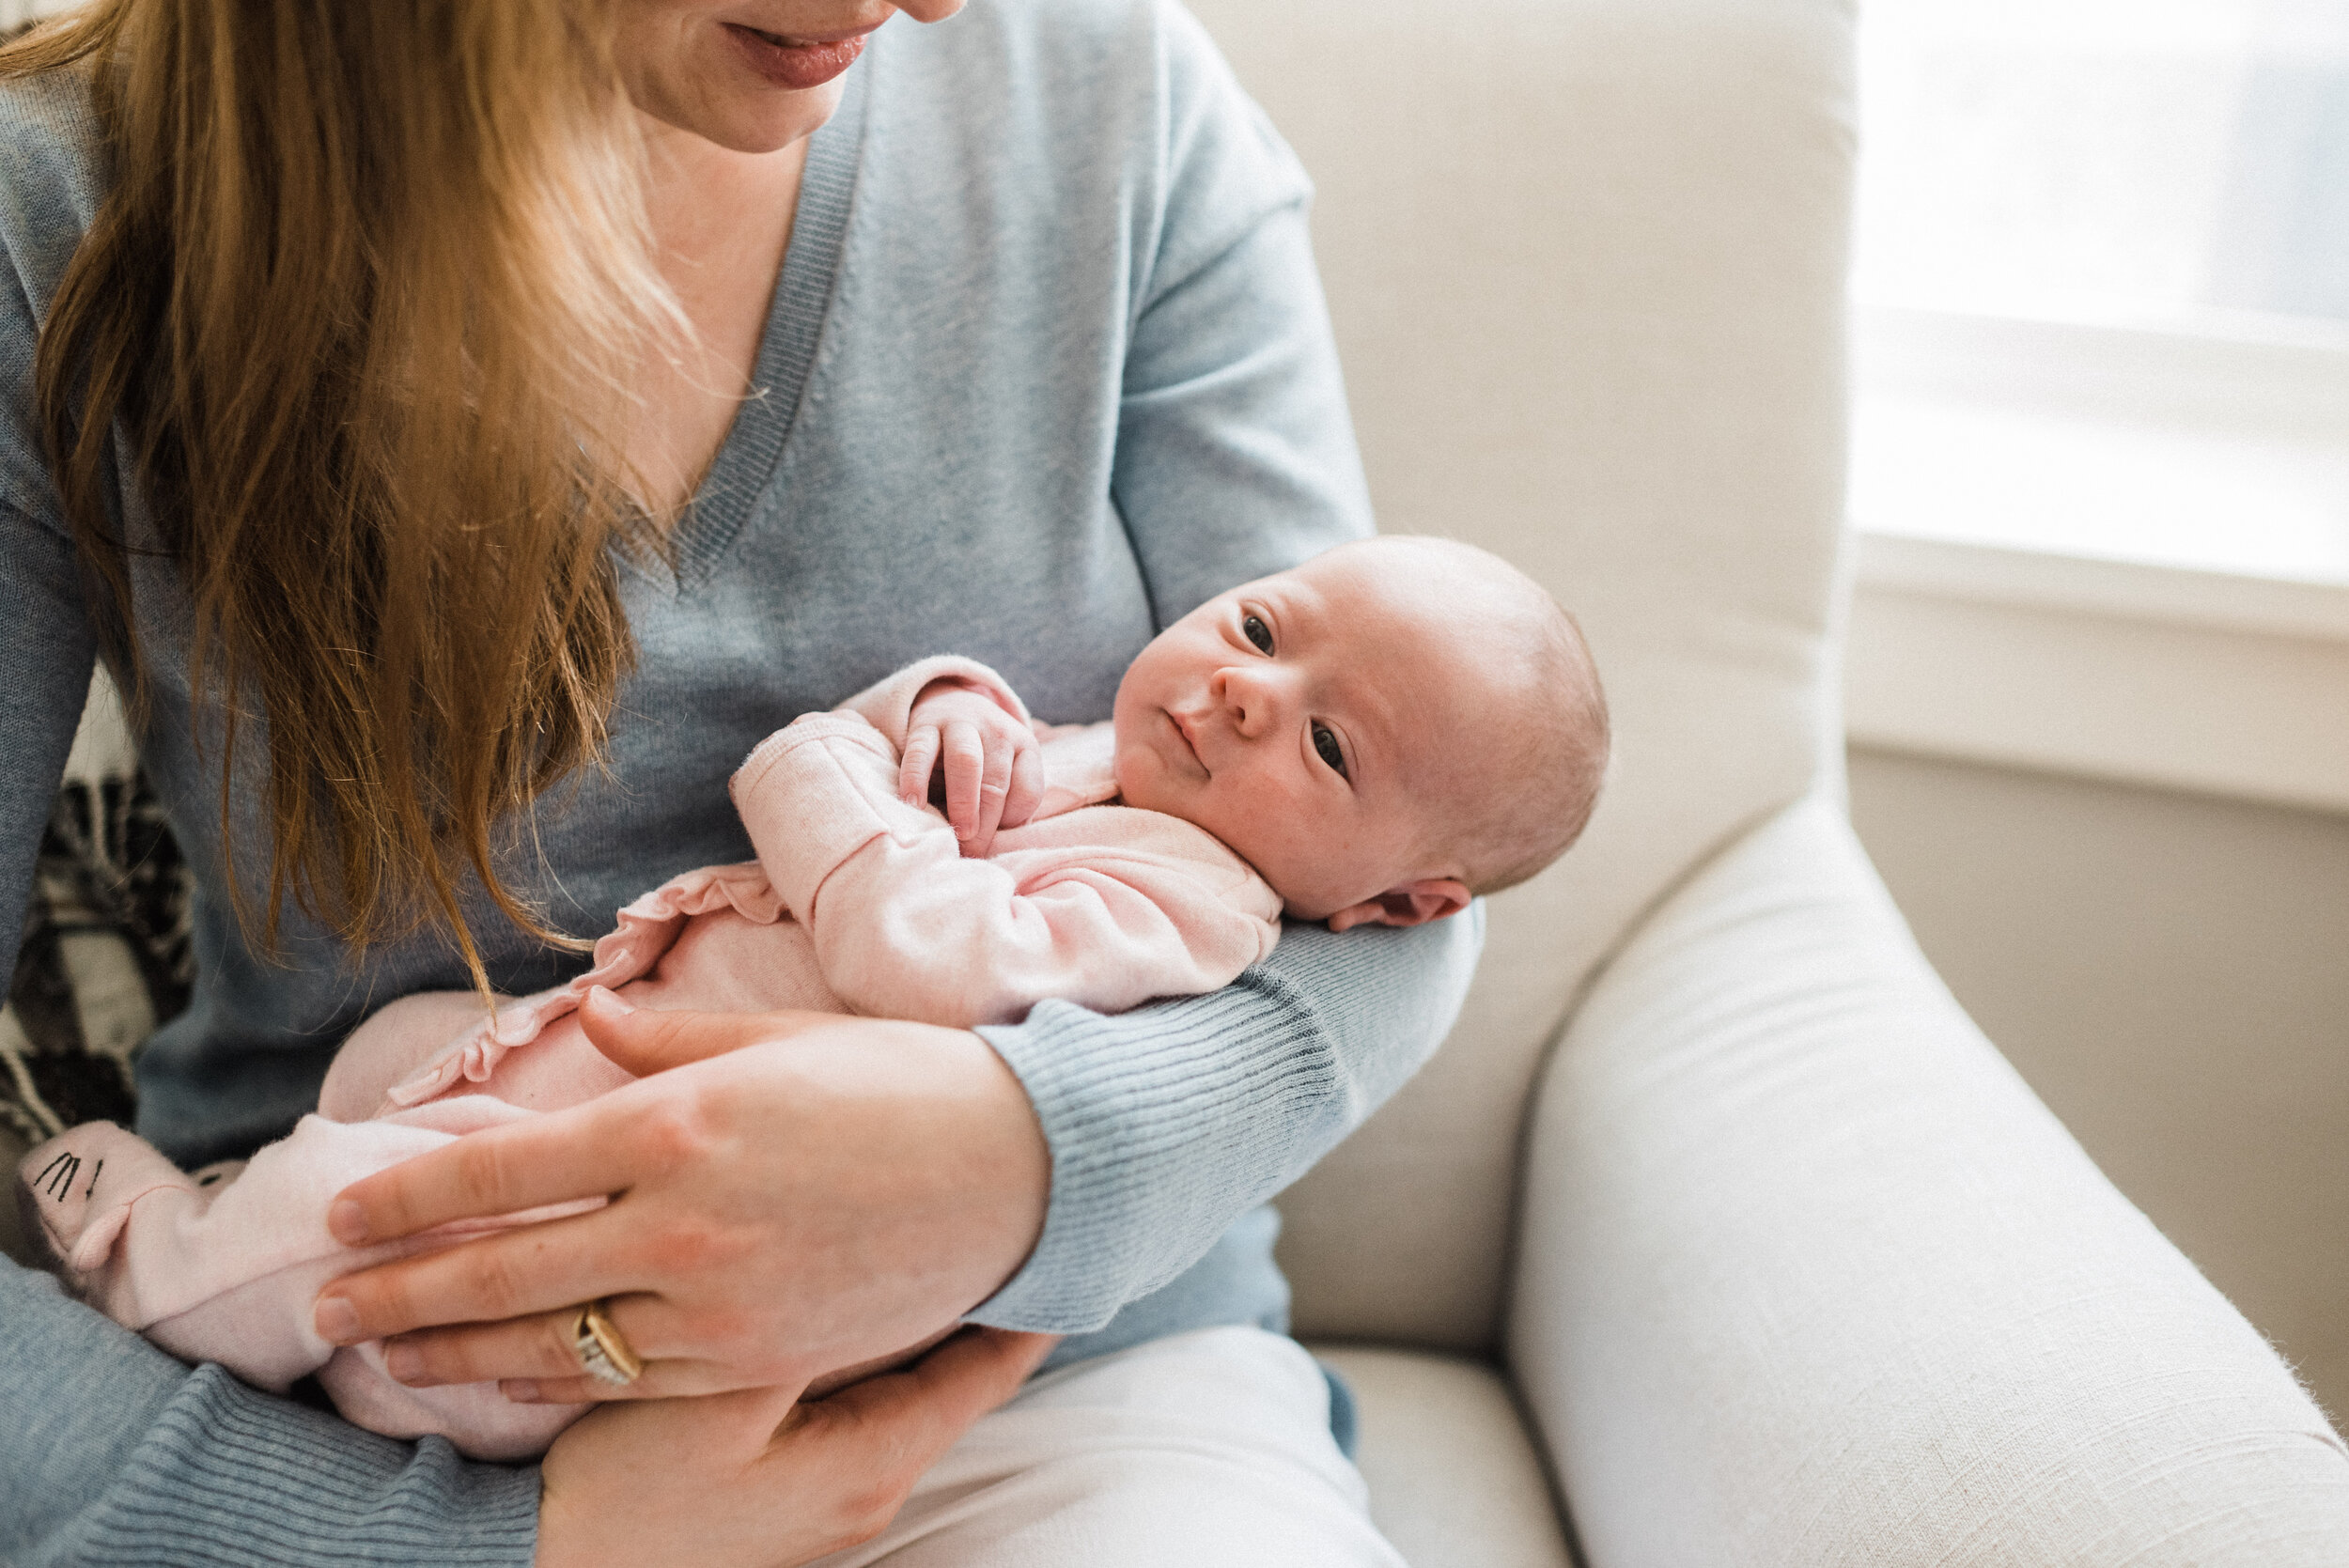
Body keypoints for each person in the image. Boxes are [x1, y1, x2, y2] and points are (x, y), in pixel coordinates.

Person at [0, 1, 1486, 1564]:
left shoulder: (1109, 88)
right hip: (375, 1392)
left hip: (1052, 1392)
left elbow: (1404, 863)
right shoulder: (62, 214)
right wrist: (479, 1547)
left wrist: (1015, 1159)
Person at [19, 536, 1610, 1462]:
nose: (1251, 686)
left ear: (1402, 903)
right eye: (1260, 624)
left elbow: (921, 952)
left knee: (352, 1228)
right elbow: (938, 782)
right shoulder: (1103, 764)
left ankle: (142, 1246)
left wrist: (830, 760)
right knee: (380, 1066)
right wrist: (935, 704)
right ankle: (246, 1205)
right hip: (559, 1048)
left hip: (605, 1222)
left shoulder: (1189, 900)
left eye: (1329, 746)